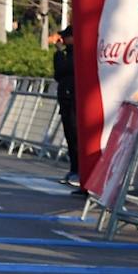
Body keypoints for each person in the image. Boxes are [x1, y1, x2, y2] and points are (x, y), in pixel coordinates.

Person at [54, 26, 79, 187]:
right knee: (70, 137)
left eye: (66, 37)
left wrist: (59, 54)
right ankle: (73, 169)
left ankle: (79, 170)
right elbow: (57, 74)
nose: (63, 40)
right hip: (65, 100)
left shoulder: (77, 55)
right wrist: (58, 53)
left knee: (76, 136)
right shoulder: (64, 54)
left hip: (74, 101)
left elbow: (64, 70)